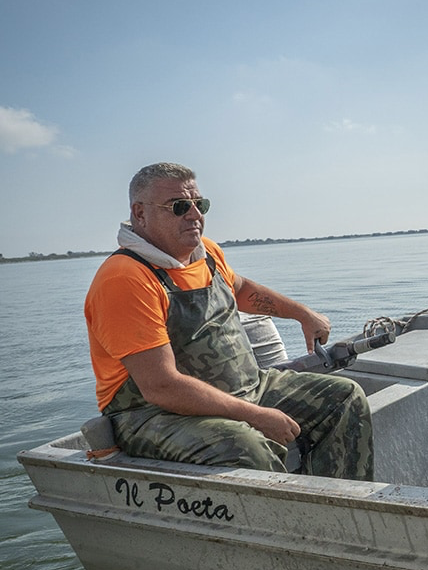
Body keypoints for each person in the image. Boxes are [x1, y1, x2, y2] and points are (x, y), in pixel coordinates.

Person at [84, 162, 373, 480]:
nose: (194, 215)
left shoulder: (205, 253)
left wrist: (302, 314)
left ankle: (339, 513)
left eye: (200, 204)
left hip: (248, 388)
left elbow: (241, 290)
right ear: (139, 214)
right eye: (179, 207)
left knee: (343, 399)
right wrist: (256, 416)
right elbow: (161, 386)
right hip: (154, 414)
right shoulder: (125, 279)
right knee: (247, 448)